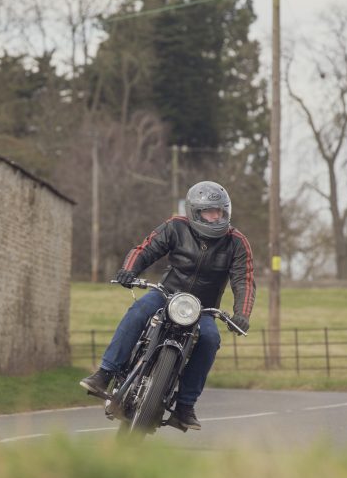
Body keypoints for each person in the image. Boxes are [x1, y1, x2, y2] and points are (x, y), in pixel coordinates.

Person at [80, 180, 255, 430]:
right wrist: (129, 270)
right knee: (139, 310)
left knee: (210, 340)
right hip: (167, 294)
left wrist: (242, 314)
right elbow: (147, 249)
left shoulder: (237, 242)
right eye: (209, 211)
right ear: (195, 212)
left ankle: (184, 407)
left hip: (203, 308)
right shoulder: (176, 226)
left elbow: (244, 280)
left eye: (220, 211)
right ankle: (104, 374)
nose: (216, 217)